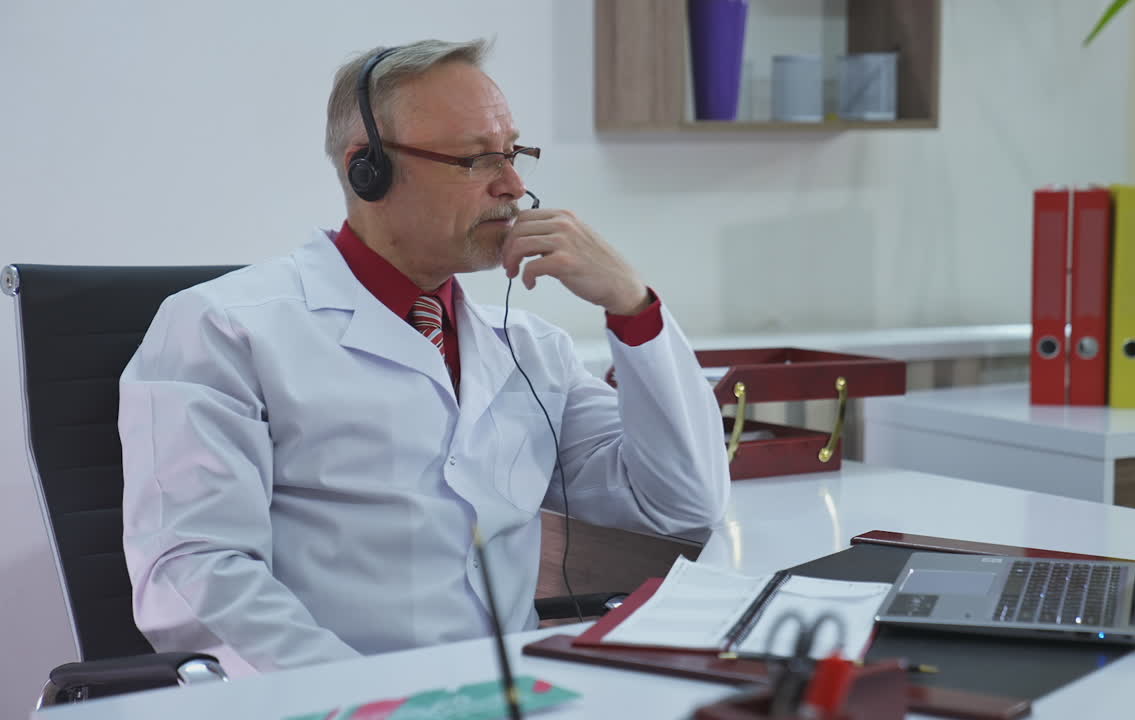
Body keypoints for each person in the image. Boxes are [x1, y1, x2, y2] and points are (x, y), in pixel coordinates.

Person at [118, 38, 730, 676]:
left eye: (514, 152)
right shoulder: (224, 328)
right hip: (332, 699)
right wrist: (367, 700)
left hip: (509, 694)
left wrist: (633, 309)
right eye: (475, 160)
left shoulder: (527, 349)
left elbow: (682, 506)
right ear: (369, 170)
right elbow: (195, 575)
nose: (514, 185)